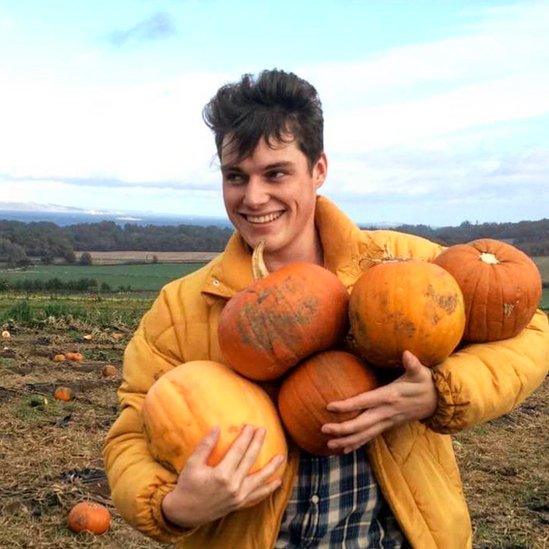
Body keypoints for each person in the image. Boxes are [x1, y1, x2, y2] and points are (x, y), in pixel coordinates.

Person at [103, 69, 549, 548]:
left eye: (276, 173)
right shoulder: (181, 305)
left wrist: (441, 393)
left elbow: (529, 334)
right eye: (236, 176)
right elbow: (130, 434)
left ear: (318, 170)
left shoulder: (402, 264)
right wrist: (173, 506)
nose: (253, 198)